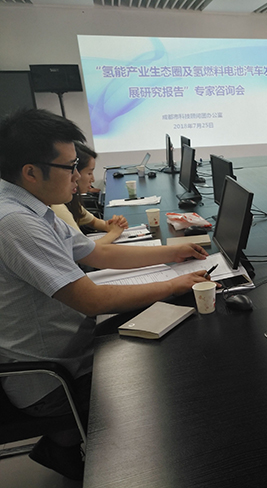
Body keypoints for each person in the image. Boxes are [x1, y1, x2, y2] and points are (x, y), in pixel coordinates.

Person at [0, 109, 212, 479]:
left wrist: (171, 253)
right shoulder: (16, 222)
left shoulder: (32, 208)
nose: (77, 176)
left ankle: (62, 445)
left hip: (70, 350)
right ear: (31, 172)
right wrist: (175, 285)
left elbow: (98, 254)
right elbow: (91, 300)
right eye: (70, 166)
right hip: (54, 379)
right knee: (174, 383)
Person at [51, 142, 128, 245]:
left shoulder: (71, 200)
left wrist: (116, 224)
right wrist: (114, 233)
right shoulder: (58, 207)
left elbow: (94, 222)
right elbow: (84, 250)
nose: (93, 179)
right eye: (89, 173)